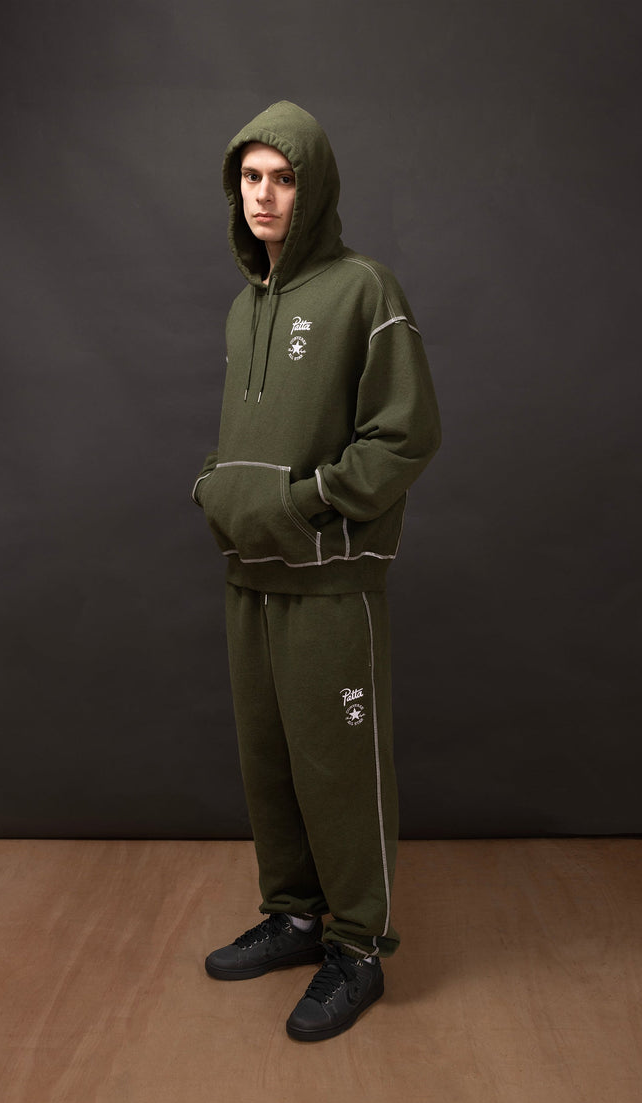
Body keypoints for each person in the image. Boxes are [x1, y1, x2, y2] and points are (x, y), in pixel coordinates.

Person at [192, 100, 440, 1042]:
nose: (263, 196)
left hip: (330, 580)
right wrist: (216, 487)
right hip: (249, 574)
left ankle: (358, 947)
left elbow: (406, 434)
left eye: (283, 178)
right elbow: (246, 437)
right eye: (250, 178)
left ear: (315, 186)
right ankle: (294, 916)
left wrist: (306, 502)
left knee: (339, 767)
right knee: (269, 761)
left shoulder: (365, 291)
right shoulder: (242, 307)